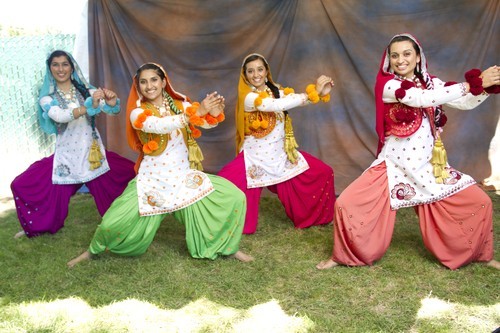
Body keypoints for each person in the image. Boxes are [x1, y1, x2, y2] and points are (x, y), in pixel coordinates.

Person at [317, 33, 500, 270]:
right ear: (389, 59)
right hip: (393, 166)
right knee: (346, 204)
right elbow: (421, 99)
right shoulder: (389, 85)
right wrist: (471, 84)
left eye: (406, 54)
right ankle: (343, 255)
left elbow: (463, 101)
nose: (400, 60)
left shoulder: (431, 82)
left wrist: (483, 88)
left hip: (428, 167)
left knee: (480, 201)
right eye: (395, 55)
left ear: (417, 57)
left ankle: (479, 254)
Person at [67, 63, 253, 267]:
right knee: (113, 221)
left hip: (183, 177)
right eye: (143, 82)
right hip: (153, 180)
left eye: (154, 80)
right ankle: (93, 250)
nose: (149, 86)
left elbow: (203, 123)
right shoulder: (137, 113)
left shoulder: (180, 105)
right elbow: (159, 126)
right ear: (138, 87)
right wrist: (196, 112)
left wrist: (212, 113)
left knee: (234, 196)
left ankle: (226, 247)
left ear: (164, 82)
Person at [11, 50, 135, 238]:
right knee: (22, 183)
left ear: (72, 67)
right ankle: (37, 225)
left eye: (65, 64)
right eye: (55, 64)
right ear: (50, 68)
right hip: (66, 161)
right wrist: (88, 107)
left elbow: (111, 110)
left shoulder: (87, 91)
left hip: (94, 157)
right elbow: (60, 116)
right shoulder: (47, 98)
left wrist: (110, 101)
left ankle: (128, 222)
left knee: (131, 173)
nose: (60, 69)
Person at [218, 53, 336, 234]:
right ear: (245, 75)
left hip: (280, 155)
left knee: (323, 172)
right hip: (254, 159)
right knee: (223, 186)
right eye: (250, 71)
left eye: (259, 69)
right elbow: (272, 106)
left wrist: (319, 94)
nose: (256, 74)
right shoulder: (248, 97)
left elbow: (290, 100)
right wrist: (312, 93)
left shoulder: (276, 90)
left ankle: (317, 217)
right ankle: (221, 227)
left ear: (266, 71)